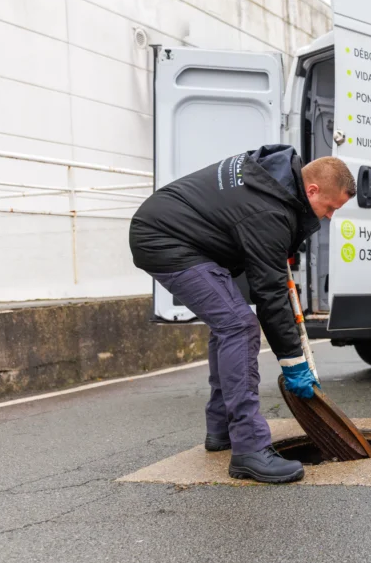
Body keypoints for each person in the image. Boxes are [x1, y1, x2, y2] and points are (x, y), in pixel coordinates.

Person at [129, 145, 355, 483]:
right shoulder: (268, 209)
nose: (329, 217)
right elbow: (270, 295)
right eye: (329, 207)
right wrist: (294, 364)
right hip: (164, 240)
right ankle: (249, 450)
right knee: (239, 326)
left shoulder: (273, 182)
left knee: (228, 324)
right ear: (312, 190)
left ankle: (221, 430)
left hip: (187, 238)